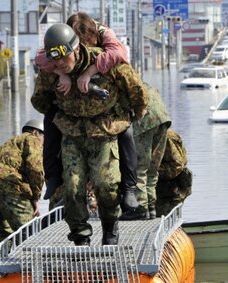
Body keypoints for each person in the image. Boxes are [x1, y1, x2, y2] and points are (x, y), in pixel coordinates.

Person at [31, 23, 148, 246]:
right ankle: (80, 235)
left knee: (106, 184)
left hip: (104, 133)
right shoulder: (52, 70)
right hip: (73, 135)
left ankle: (110, 228)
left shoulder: (104, 61)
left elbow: (136, 90)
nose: (60, 64)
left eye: (63, 59)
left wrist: (132, 114)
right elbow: (39, 100)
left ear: (76, 49)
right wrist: (58, 86)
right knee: (73, 187)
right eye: (55, 61)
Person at [0, 120, 45, 281]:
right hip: (6, 185)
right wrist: (35, 197)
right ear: (38, 132)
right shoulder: (33, 139)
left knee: (2, 230)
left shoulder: (12, 143)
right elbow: (35, 168)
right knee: (30, 229)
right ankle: (33, 272)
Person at [121, 83, 171, 220]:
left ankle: (141, 208)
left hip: (145, 121)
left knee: (139, 168)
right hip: (162, 118)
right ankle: (151, 208)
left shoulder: (121, 85)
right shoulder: (143, 83)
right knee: (152, 169)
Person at [155, 128, 193, 217]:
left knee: (164, 221)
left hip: (170, 192)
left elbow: (177, 166)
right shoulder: (151, 134)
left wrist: (151, 172)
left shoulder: (166, 136)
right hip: (159, 190)